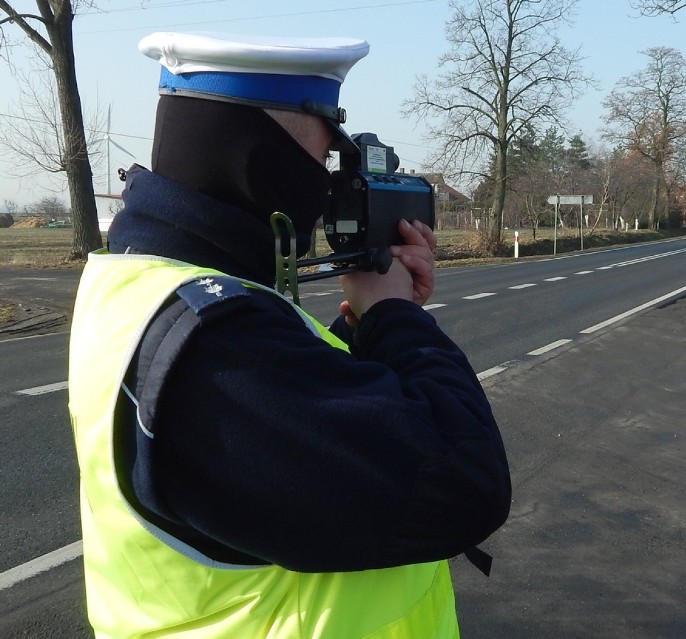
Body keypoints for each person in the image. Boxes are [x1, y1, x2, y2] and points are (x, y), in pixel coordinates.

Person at [68, 31, 511, 638]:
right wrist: (396, 320)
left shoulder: (146, 283)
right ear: (265, 150)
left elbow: (297, 413)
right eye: (327, 153)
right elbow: (462, 485)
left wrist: (361, 325)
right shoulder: (213, 340)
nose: (329, 183)